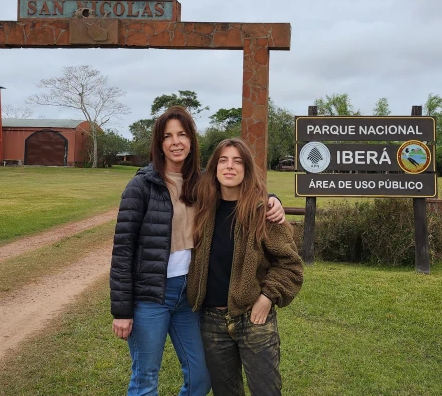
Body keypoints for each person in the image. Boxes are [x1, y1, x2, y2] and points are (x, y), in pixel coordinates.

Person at [110, 107, 286, 396]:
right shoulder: (141, 186)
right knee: (145, 379)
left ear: (192, 140)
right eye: (168, 136)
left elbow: (241, 187)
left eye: (182, 134)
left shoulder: (203, 182)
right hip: (150, 295)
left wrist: (271, 200)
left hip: (190, 295)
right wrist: (122, 310)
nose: (175, 141)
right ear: (159, 143)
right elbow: (122, 251)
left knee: (202, 377)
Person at [188, 138, 304, 396]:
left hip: (253, 320)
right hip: (212, 322)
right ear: (214, 167)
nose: (230, 167)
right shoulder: (202, 210)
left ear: (247, 169)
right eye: (223, 160)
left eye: (237, 161)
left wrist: (267, 297)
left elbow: (291, 266)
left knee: (266, 391)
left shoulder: (263, 212)